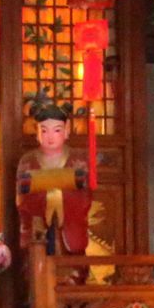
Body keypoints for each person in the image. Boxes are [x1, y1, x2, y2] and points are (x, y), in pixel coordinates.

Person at [15, 97, 91, 255]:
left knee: (71, 265)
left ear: (67, 130)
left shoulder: (77, 159)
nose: (50, 137)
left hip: (69, 231)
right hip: (38, 228)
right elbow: (22, 199)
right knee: (37, 261)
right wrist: (49, 198)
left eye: (56, 130)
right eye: (44, 130)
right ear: (37, 131)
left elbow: (85, 197)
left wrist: (59, 198)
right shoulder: (28, 160)